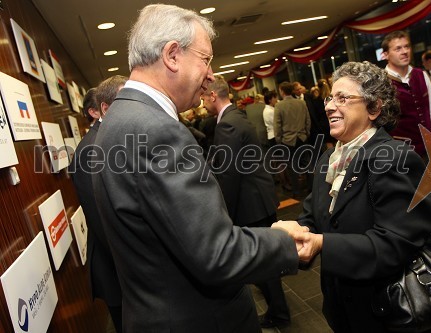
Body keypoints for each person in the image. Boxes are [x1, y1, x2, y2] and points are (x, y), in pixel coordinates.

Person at [92, 4, 303, 332]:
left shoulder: (118, 120)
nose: (210, 74)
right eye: (205, 59)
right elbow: (216, 253)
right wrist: (283, 240)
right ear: (172, 55)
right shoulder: (156, 129)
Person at [273, 61, 431, 333]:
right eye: (330, 97)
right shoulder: (330, 158)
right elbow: (314, 216)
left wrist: (321, 244)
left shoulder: (395, 158)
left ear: (374, 108)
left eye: (342, 98)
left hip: (392, 313)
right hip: (346, 311)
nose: (329, 106)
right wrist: (298, 232)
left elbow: (396, 245)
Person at [202, 75, 291, 329]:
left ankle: (279, 313)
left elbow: (229, 174)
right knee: (264, 260)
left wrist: (224, 212)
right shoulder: (236, 117)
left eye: (203, 98)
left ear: (212, 96)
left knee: (263, 263)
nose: (202, 104)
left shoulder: (227, 124)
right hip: (259, 197)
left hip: (250, 202)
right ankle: (278, 307)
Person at [70, 75, 127, 333]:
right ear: (103, 110)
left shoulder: (111, 138)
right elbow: (103, 220)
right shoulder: (91, 151)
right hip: (120, 270)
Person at [382, 31, 431, 161]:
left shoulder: (421, 74)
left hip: (428, 147)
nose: (404, 51)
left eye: (407, 46)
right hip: (401, 153)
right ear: (386, 54)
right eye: (398, 48)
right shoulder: (382, 83)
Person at [274, 81, 311, 197]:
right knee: (307, 164)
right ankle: (312, 188)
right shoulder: (301, 103)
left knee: (291, 167)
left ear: (282, 91)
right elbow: (308, 120)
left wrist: (279, 139)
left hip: (288, 140)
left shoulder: (279, 106)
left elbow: (277, 125)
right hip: (302, 137)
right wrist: (306, 133)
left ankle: (296, 191)